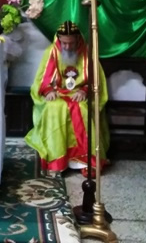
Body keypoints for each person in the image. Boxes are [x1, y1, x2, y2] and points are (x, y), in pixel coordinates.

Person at [25, 20, 109, 177]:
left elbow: (97, 81)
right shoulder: (51, 52)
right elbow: (41, 80)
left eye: (71, 43)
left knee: (82, 109)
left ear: (77, 40)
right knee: (54, 108)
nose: (68, 47)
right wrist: (48, 90)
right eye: (64, 43)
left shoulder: (87, 52)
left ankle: (84, 161)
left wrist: (84, 90)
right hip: (57, 93)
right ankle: (57, 161)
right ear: (59, 40)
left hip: (79, 93)